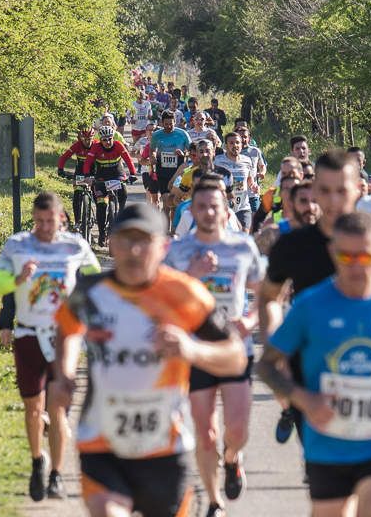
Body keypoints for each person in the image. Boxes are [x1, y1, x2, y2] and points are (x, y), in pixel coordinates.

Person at [49, 203, 246, 517]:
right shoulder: (90, 292)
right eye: (125, 239)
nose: (134, 249)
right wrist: (64, 374)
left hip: (165, 449)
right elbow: (67, 330)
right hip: (102, 441)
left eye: (144, 240)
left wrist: (191, 349)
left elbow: (235, 357)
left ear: (164, 246)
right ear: (111, 243)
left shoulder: (185, 294)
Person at [257, 212, 371, 517]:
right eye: (346, 255)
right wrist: (304, 400)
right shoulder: (309, 305)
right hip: (327, 442)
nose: (356, 264)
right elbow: (266, 365)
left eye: (365, 256)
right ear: (332, 252)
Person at [258, 149, 371, 443]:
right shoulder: (293, 246)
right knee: (327, 476)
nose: (333, 202)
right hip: (313, 377)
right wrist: (274, 341)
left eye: (342, 191)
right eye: (326, 191)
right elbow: (268, 296)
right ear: (314, 190)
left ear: (360, 189)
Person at [0, 192, 100, 502]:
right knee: (33, 408)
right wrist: (17, 279)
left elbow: (97, 281)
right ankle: (38, 461)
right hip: (28, 334)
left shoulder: (75, 246)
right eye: (39, 222)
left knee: (58, 408)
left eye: (50, 221)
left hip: (65, 335)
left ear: (61, 218)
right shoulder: (18, 245)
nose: (44, 228)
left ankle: (56, 476)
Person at [164, 179, 264, 517]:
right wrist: (191, 274)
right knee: (205, 432)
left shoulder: (242, 247)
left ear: (226, 209)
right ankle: (214, 501)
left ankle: (233, 458)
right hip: (195, 350)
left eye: (215, 206)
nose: (208, 212)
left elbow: (266, 293)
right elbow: (162, 302)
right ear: (191, 210)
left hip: (236, 349)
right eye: (201, 206)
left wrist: (250, 322)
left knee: (237, 429)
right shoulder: (178, 251)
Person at [82, 126, 138, 247]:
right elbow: (88, 162)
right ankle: (102, 233)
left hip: (117, 174)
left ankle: (120, 216)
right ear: (100, 140)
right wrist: (87, 175)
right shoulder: (96, 147)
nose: (107, 142)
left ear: (113, 138)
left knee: (123, 192)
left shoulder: (118, 145)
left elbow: (128, 160)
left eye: (109, 139)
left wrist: (133, 173)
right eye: (104, 140)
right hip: (101, 177)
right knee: (101, 205)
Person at [151, 110, 192, 221]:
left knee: (174, 204)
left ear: (175, 122)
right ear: (162, 123)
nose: (169, 126)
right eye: (166, 124)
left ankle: (173, 231)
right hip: (162, 171)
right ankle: (165, 231)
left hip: (178, 172)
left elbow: (192, 152)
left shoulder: (183, 134)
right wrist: (153, 156)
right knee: (166, 202)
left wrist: (183, 154)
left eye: (171, 124)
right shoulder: (156, 135)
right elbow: (152, 150)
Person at [215, 131, 258, 232]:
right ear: (225, 145)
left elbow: (249, 180)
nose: (235, 145)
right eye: (231, 143)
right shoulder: (217, 161)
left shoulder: (247, 160)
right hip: (223, 206)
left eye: (237, 142)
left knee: (245, 233)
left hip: (243, 206)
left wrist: (254, 186)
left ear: (242, 144)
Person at [57, 125, 96, 224]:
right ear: (81, 138)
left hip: (94, 171)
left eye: (90, 139)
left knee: (98, 195)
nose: (87, 141)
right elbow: (64, 157)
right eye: (85, 139)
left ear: (93, 137)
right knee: (77, 195)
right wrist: (61, 169)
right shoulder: (77, 145)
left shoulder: (97, 145)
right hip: (80, 172)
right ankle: (77, 222)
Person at [237, 123, 267, 211]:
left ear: (249, 138)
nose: (243, 139)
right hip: (238, 193)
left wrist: (262, 173)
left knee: (255, 220)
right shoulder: (232, 153)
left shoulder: (255, 151)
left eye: (245, 137)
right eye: (240, 137)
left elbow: (262, 165)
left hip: (253, 192)